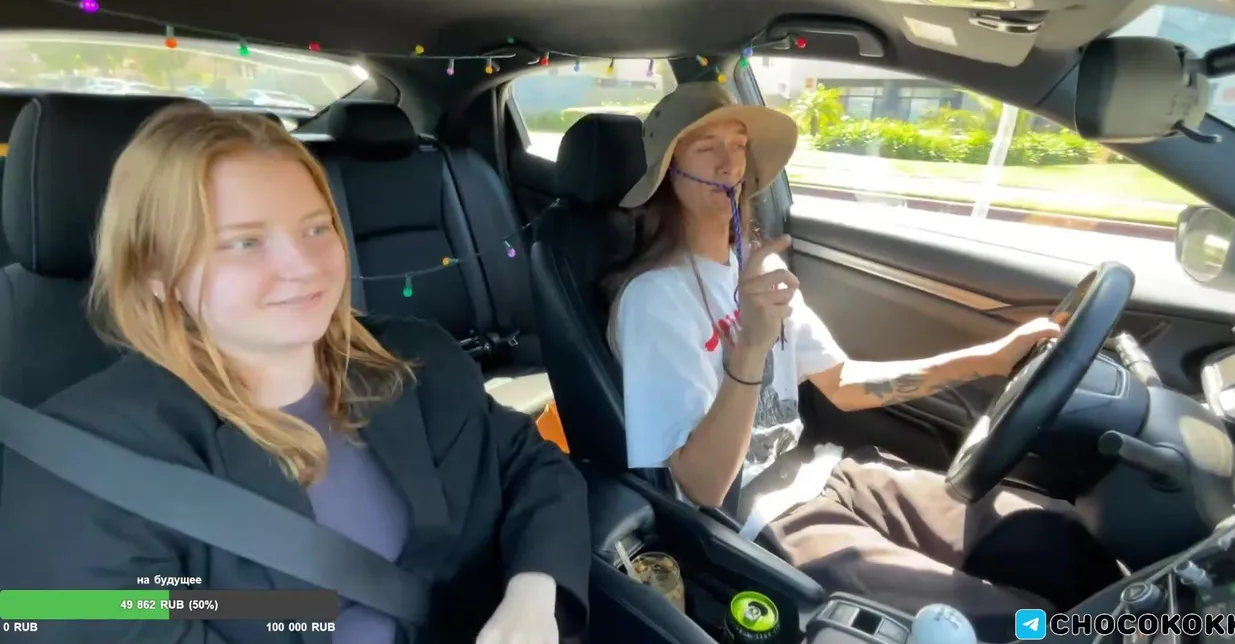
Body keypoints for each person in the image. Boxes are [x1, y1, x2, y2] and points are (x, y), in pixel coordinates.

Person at [0, 103, 589, 644]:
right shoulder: (81, 471)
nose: (302, 266)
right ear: (158, 273)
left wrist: (534, 597)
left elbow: (533, 469)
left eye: (315, 228)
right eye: (244, 243)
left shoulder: (419, 362)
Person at [609, 82, 1119, 630]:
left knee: (1058, 539)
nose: (729, 163)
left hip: (831, 471)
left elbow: (844, 383)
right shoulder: (653, 301)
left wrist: (990, 359)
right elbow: (702, 487)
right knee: (1013, 624)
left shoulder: (751, 269)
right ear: (668, 173)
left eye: (738, 143)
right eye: (705, 147)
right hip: (756, 518)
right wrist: (753, 344)